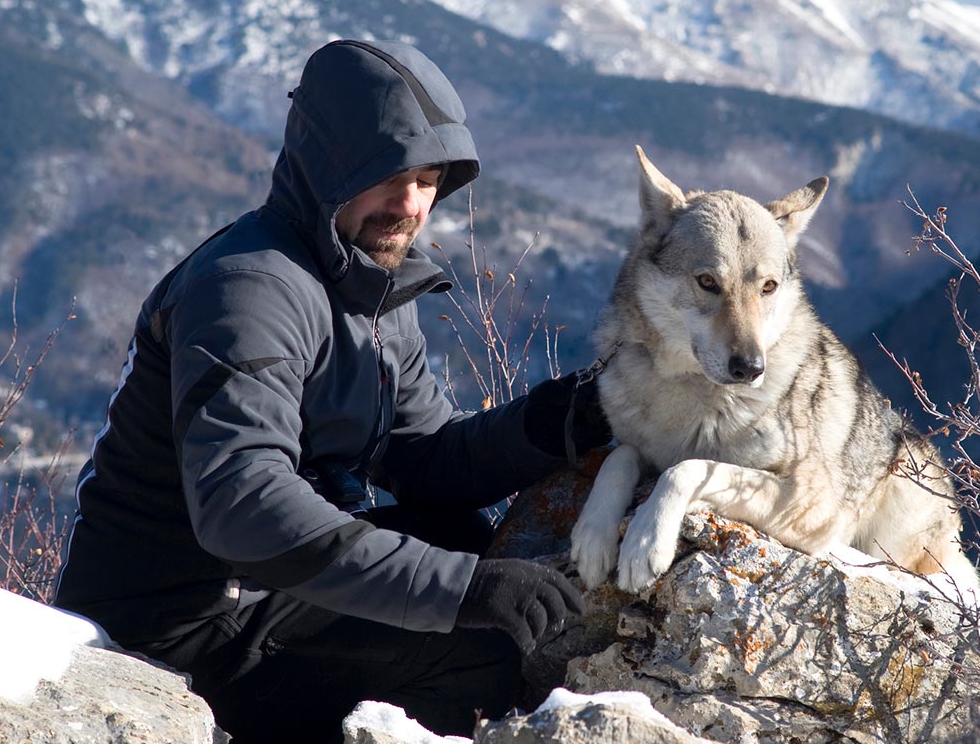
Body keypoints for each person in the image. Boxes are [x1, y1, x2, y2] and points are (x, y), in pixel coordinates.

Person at [53, 39, 611, 742]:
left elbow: (424, 460)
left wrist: (560, 420)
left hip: (255, 597)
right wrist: (463, 592)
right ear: (329, 165)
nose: (410, 204)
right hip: (176, 630)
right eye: (388, 174)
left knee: (459, 537)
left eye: (430, 177)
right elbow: (245, 507)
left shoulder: (365, 282)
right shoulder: (249, 290)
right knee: (480, 637)